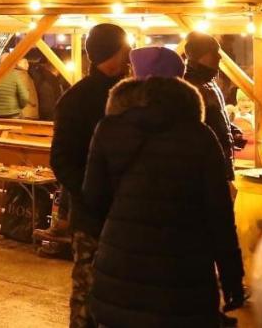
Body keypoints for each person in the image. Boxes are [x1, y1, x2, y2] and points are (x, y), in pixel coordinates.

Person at [84, 70, 244, 327]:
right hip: (183, 278)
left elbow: (93, 199)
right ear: (192, 105)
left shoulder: (109, 130)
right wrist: (231, 278)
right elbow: (220, 217)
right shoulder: (200, 137)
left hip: (119, 270)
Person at [46, 23, 130, 328]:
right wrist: (90, 192)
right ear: (115, 52)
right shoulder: (79, 100)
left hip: (116, 213)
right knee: (88, 291)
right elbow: (60, 159)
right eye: (125, 47)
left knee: (109, 293)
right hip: (94, 217)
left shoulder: (127, 93)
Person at [183, 32, 236, 181]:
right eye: (214, 52)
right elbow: (192, 128)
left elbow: (213, 117)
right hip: (205, 166)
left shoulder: (209, 82)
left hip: (218, 159)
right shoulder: (191, 85)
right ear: (200, 55)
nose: (219, 57)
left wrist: (229, 131)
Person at [29, 54, 66, 121]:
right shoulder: (52, 79)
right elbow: (58, 96)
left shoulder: (36, 75)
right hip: (50, 109)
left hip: (40, 108)